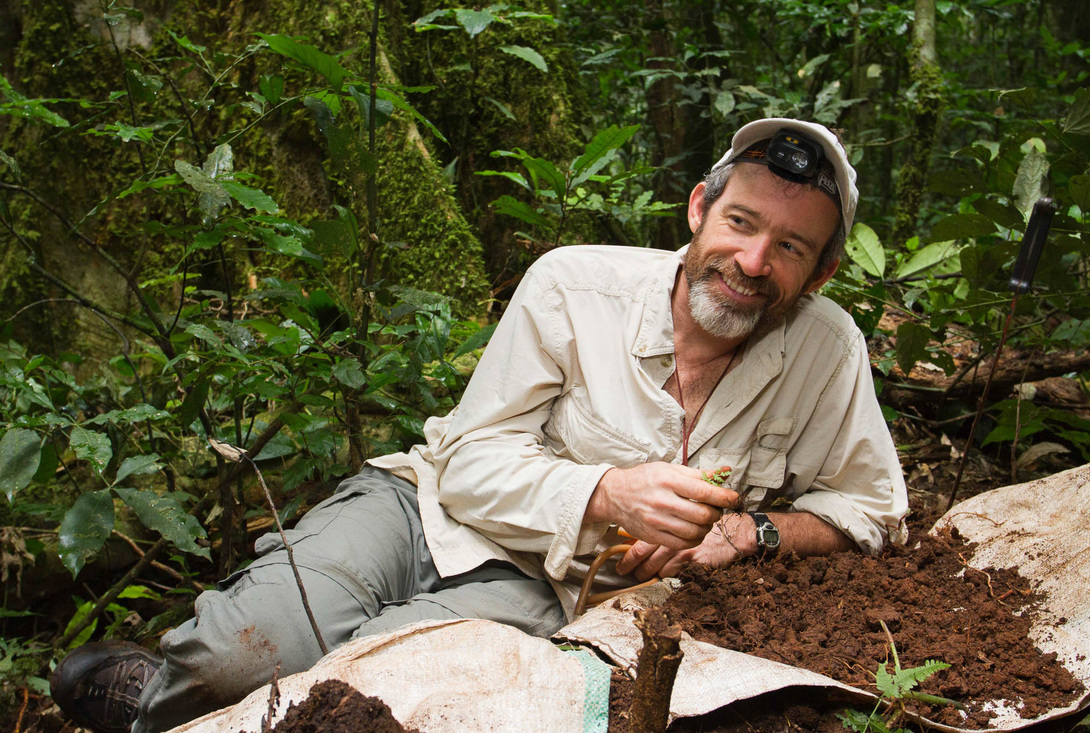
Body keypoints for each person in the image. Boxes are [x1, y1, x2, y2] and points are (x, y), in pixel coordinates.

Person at [50, 117, 908, 733]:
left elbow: (875, 509)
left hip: (546, 584)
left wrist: (747, 533)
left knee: (357, 697)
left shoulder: (826, 349)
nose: (753, 263)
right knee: (246, 651)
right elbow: (468, 462)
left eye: (791, 248)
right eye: (742, 223)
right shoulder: (575, 284)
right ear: (698, 210)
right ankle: (165, 689)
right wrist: (609, 490)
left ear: (824, 270)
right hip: (422, 508)